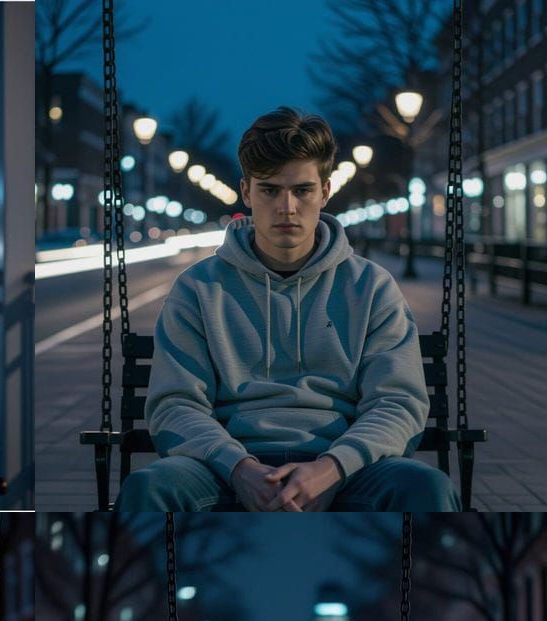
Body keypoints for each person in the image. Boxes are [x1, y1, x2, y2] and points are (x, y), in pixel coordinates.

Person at [117, 107, 460, 513]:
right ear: (246, 192)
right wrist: (240, 469)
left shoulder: (370, 287)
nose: (287, 207)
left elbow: (397, 402)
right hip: (223, 469)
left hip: (346, 467)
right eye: (269, 190)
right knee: (150, 488)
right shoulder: (198, 289)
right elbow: (174, 404)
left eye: (302, 190)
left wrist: (331, 469)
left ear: (325, 191)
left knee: (425, 489)